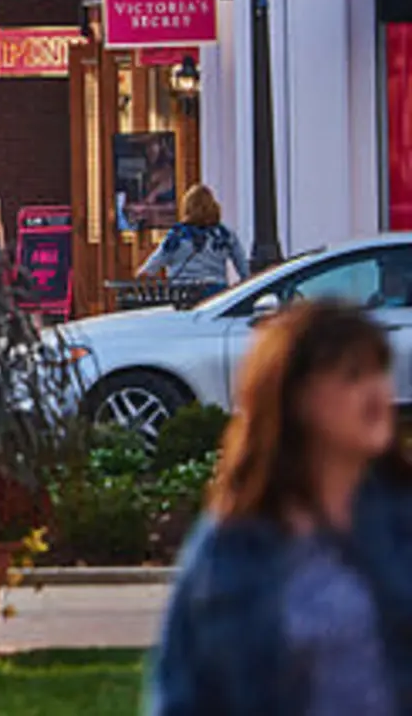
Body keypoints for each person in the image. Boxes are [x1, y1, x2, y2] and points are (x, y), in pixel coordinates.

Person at [148, 301, 412, 715]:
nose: (378, 392)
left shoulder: (400, 520)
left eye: (380, 371)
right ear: (296, 397)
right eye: (352, 376)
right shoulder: (232, 549)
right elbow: (184, 695)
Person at [137, 184, 250, 292]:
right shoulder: (225, 234)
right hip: (216, 296)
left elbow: (147, 270)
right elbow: (245, 271)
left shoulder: (177, 236)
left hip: (184, 294)